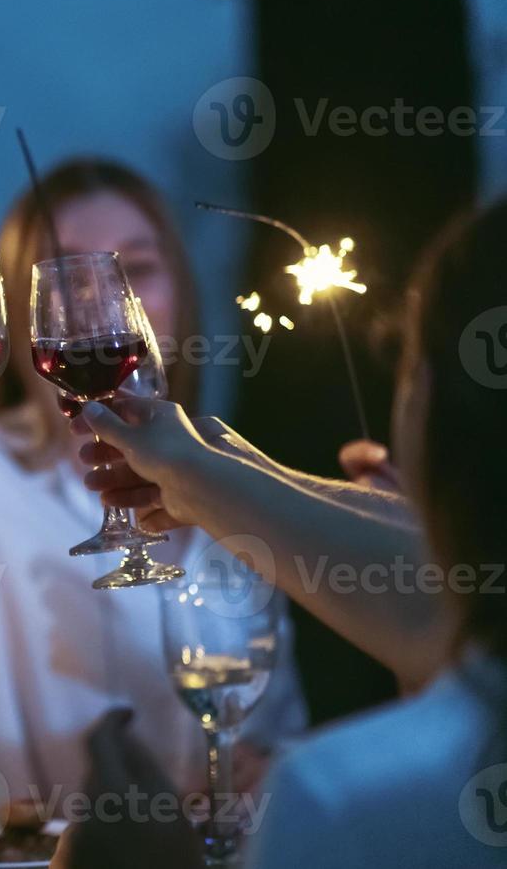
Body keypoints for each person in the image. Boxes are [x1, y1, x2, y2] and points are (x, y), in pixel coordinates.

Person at [63, 198, 507, 867]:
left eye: (407, 356)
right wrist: (219, 472)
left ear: (441, 406)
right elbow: (449, 613)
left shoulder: (343, 801)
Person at [0, 158, 306, 809]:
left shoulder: (236, 487)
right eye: (67, 270)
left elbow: (278, 730)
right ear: (14, 306)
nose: (106, 297)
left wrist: (263, 772)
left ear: (180, 296)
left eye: (138, 269)